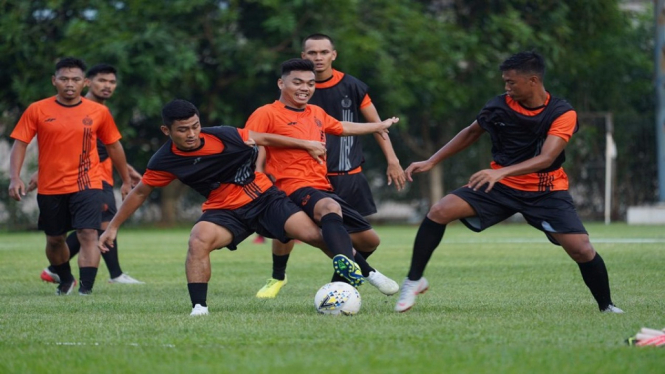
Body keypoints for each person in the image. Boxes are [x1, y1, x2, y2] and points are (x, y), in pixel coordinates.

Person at [394, 51, 623, 314]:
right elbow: (471, 132)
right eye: (505, 81)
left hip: (545, 189)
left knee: (581, 249)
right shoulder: (498, 106)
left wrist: (500, 172)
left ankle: (607, 306)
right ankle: (413, 281)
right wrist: (432, 161)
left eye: (511, 82)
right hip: (500, 187)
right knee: (439, 211)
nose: (506, 87)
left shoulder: (562, 113)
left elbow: (547, 157)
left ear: (533, 81)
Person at [99, 99, 361, 316]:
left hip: (265, 200)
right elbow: (141, 191)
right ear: (167, 131)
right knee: (198, 239)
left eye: (195, 127)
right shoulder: (164, 160)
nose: (191, 134)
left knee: (316, 236)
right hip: (224, 211)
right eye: (183, 130)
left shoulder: (223, 135)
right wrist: (112, 228)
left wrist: (306, 144)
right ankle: (199, 308)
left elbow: (264, 138)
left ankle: (367, 272)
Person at [254, 34, 407, 298]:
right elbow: (252, 137)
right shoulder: (266, 112)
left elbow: (343, 127)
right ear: (281, 83)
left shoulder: (316, 111)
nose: (305, 88)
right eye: (298, 82)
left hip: (326, 184)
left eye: (310, 83)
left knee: (370, 240)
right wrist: (303, 144)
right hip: (291, 187)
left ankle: (341, 282)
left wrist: (377, 126)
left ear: (333, 55)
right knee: (325, 211)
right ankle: (368, 272)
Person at [8, 57, 132, 296]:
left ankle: (86, 290)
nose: (69, 84)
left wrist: (126, 179)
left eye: (75, 79)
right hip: (50, 186)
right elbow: (20, 143)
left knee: (88, 233)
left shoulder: (99, 112)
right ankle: (65, 279)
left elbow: (114, 147)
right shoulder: (37, 109)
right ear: (54, 81)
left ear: (84, 83)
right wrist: (15, 177)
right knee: (55, 240)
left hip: (88, 183)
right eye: (64, 79)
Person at [34, 63, 144, 285]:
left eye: (112, 82)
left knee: (98, 226)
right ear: (88, 83)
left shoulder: (101, 109)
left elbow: (108, 145)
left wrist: (127, 170)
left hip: (100, 176)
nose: (107, 86)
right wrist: (128, 172)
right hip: (91, 179)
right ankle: (109, 274)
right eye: (101, 81)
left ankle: (57, 270)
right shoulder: (85, 108)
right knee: (96, 227)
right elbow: (96, 148)